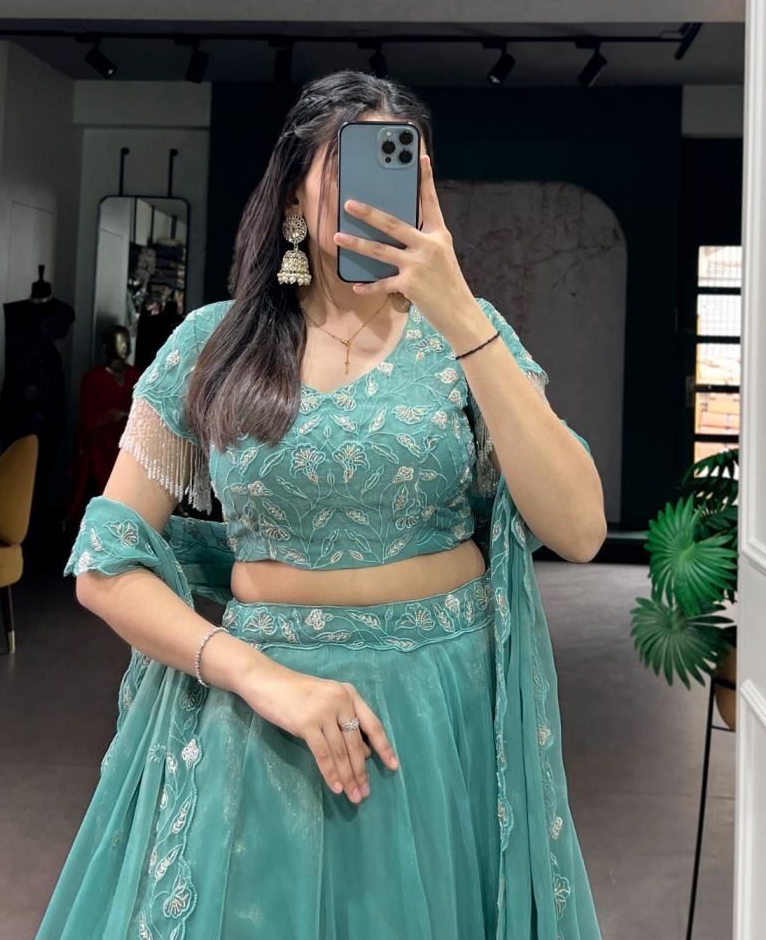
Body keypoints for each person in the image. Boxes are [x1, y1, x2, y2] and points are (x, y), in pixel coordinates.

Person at [35, 70, 607, 939]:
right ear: (293, 198)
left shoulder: (466, 336)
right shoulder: (214, 345)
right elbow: (104, 567)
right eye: (346, 166)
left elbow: (581, 529)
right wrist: (257, 676)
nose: (374, 195)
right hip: (264, 716)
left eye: (399, 169)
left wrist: (462, 316)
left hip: (440, 713)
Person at [63, 325, 142, 527]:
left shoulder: (136, 376)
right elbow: (88, 419)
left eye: (126, 341)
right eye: (119, 341)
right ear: (107, 345)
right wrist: (108, 419)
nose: (124, 346)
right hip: (102, 442)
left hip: (130, 440)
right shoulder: (94, 378)